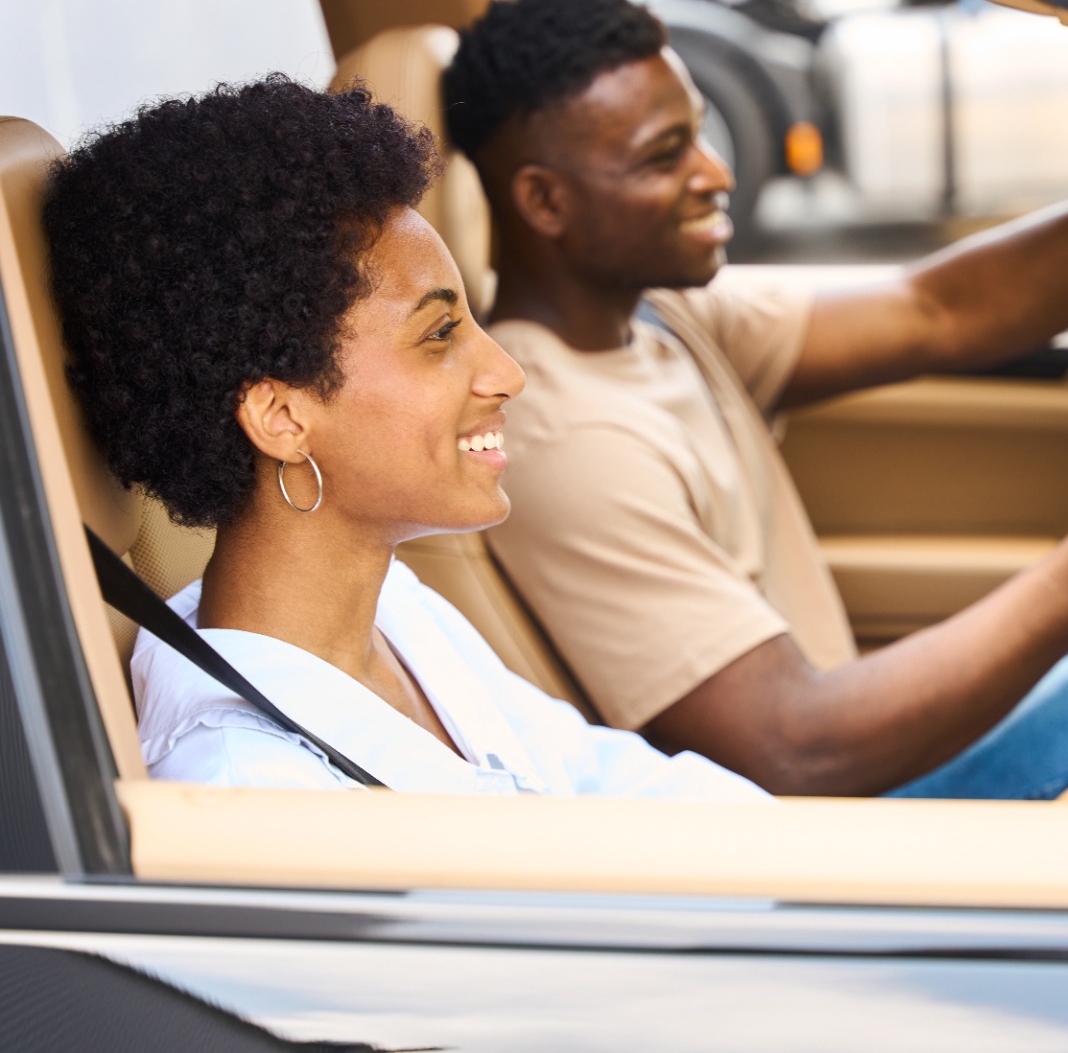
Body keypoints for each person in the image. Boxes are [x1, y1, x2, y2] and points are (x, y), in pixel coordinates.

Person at [443, 0, 1068, 800]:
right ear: (544, 203)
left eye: (699, 136)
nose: (716, 174)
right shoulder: (564, 435)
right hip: (843, 815)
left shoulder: (658, 318)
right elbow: (793, 751)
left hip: (853, 739)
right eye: (664, 158)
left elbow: (944, 308)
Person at [43, 77, 764, 800]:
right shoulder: (256, 787)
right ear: (283, 418)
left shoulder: (396, 613)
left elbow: (603, 776)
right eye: (441, 334)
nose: (508, 373)